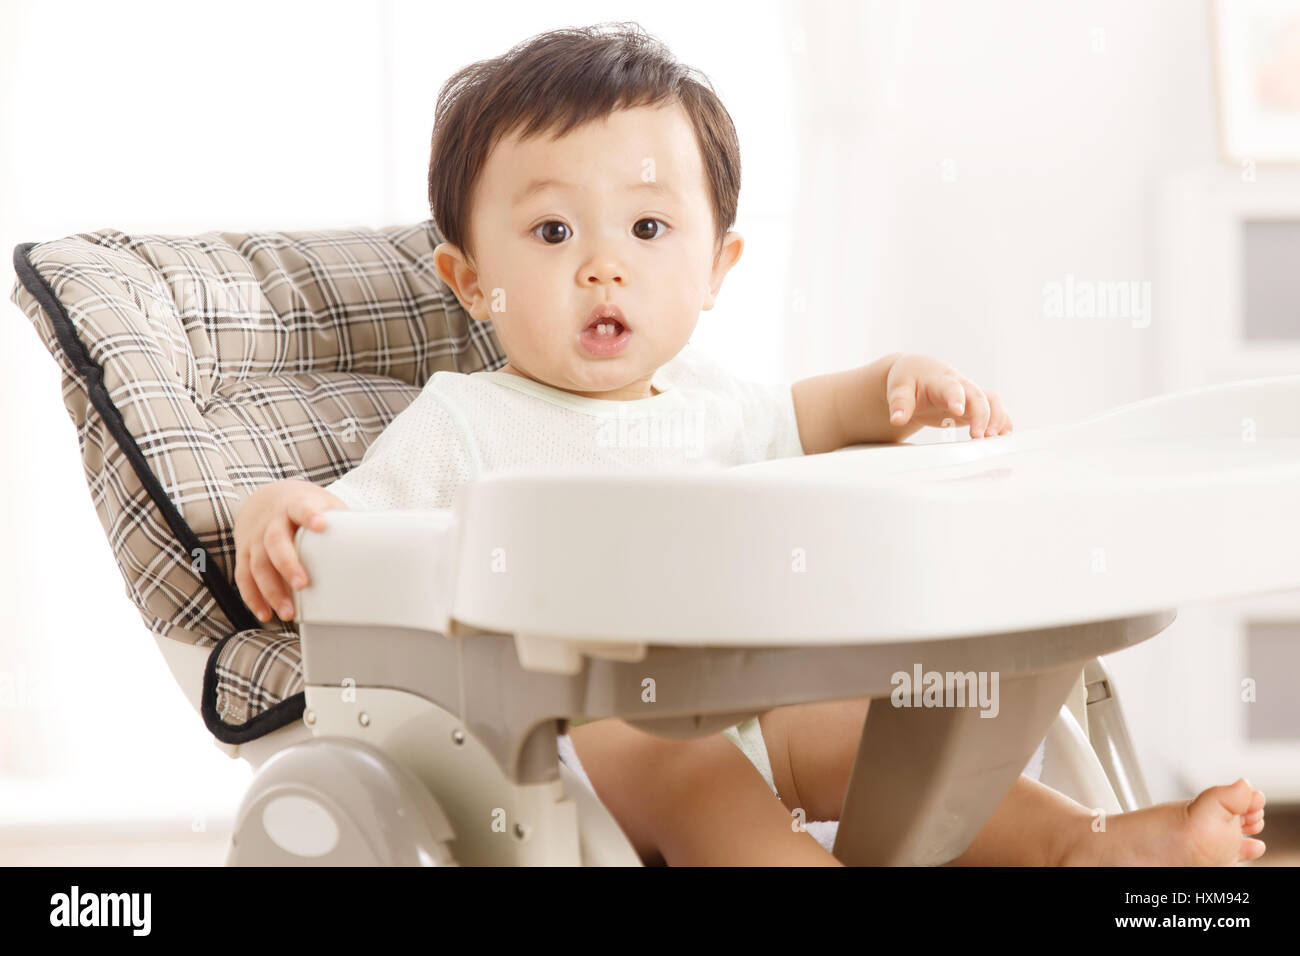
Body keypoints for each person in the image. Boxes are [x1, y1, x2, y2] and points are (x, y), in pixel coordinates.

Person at [232, 23, 1265, 866]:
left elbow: (808, 419)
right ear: (468, 279)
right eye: (553, 235)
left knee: (882, 726)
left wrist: (889, 393)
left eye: (647, 229)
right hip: (577, 733)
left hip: (749, 702)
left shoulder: (718, 403)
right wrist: (278, 509)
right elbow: (358, 534)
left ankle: (1079, 843)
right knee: (691, 775)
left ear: (719, 264)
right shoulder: (466, 418)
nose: (604, 268)